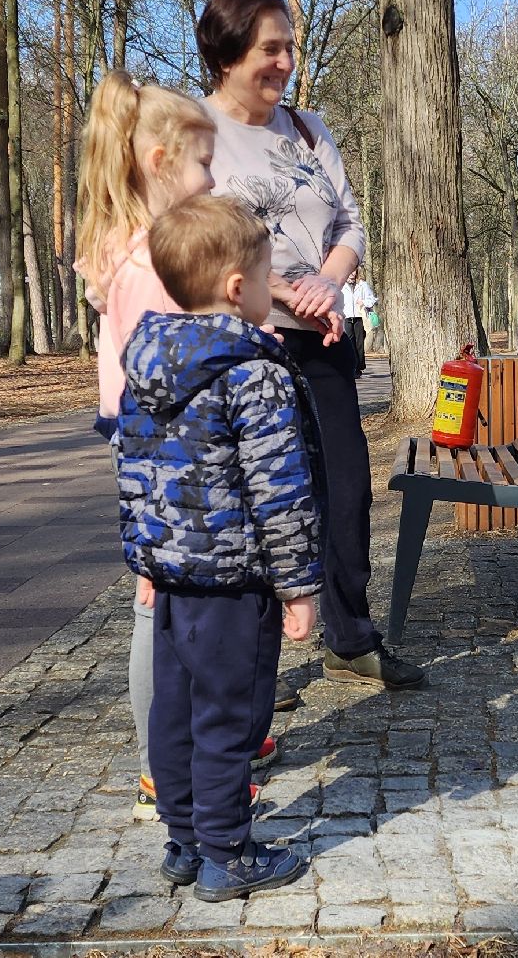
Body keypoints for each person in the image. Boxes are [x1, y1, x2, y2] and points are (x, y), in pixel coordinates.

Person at [195, 0, 424, 691]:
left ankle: (349, 637)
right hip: (244, 343)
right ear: (227, 53)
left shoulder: (307, 128)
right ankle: (252, 668)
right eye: (270, 48)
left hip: (321, 338)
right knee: (258, 496)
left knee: (346, 490)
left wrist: (327, 279)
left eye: (289, 46)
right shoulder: (193, 134)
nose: (286, 61)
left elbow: (349, 223)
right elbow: (191, 244)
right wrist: (283, 290)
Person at [73, 73, 276, 824]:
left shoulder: (135, 247)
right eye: (200, 164)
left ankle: (201, 745)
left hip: (153, 439)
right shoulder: (150, 262)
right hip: (165, 446)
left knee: (173, 603)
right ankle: (166, 769)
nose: (211, 179)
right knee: (159, 607)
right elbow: (170, 365)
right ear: (159, 162)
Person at [116, 194, 321, 901]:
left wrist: (146, 561)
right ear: (239, 288)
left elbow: (137, 471)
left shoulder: (145, 366)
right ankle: (228, 852)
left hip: (173, 580)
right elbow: (279, 490)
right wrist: (299, 587)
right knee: (229, 715)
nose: (272, 293)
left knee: (172, 709)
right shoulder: (251, 371)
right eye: (268, 279)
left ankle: (182, 840)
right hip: (235, 583)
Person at [342, 268, 378, 372]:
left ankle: (359, 367)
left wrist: (363, 302)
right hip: (347, 317)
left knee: (359, 344)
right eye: (350, 271)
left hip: (359, 317)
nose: (352, 273)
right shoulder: (341, 285)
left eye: (354, 271)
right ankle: (353, 366)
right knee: (349, 342)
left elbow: (372, 299)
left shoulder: (362, 285)